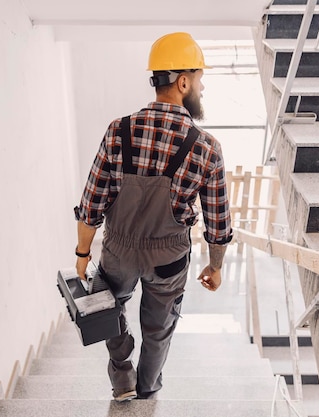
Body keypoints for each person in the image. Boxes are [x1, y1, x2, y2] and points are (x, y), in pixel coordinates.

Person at [73, 32, 233, 402]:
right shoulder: (207, 148)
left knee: (107, 307)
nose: (202, 89)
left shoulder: (119, 131)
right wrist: (215, 265)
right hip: (169, 257)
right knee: (159, 328)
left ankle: (122, 373)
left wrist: (83, 255)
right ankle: (146, 388)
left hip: (119, 252)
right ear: (182, 82)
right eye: (200, 81)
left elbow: (92, 202)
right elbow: (218, 223)